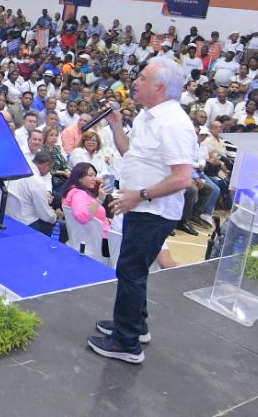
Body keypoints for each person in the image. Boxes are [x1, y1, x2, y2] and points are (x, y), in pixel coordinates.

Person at [89, 56, 196, 365]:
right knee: (134, 270)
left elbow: (182, 178)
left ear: (160, 87)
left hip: (154, 211)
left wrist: (140, 195)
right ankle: (136, 325)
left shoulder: (173, 123)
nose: (135, 82)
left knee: (130, 271)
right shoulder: (149, 117)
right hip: (141, 206)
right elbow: (129, 153)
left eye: (143, 79)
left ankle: (126, 343)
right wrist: (117, 126)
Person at [3, 149, 58, 234]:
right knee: (56, 225)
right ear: (47, 165)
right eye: (50, 168)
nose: (49, 171)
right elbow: (45, 216)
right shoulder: (37, 182)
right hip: (26, 223)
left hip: (7, 215)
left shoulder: (20, 167)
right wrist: (55, 215)